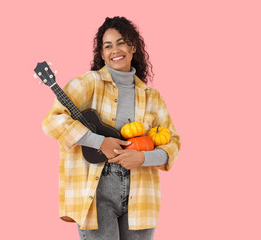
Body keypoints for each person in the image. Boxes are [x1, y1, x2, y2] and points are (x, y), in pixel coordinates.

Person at [42, 16, 181, 240]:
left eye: (121, 42)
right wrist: (99, 142)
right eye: (107, 46)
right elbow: (52, 121)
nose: (115, 50)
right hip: (97, 192)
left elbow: (173, 143)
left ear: (133, 47)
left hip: (142, 192)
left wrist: (143, 159)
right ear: (102, 53)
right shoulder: (88, 83)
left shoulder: (152, 97)